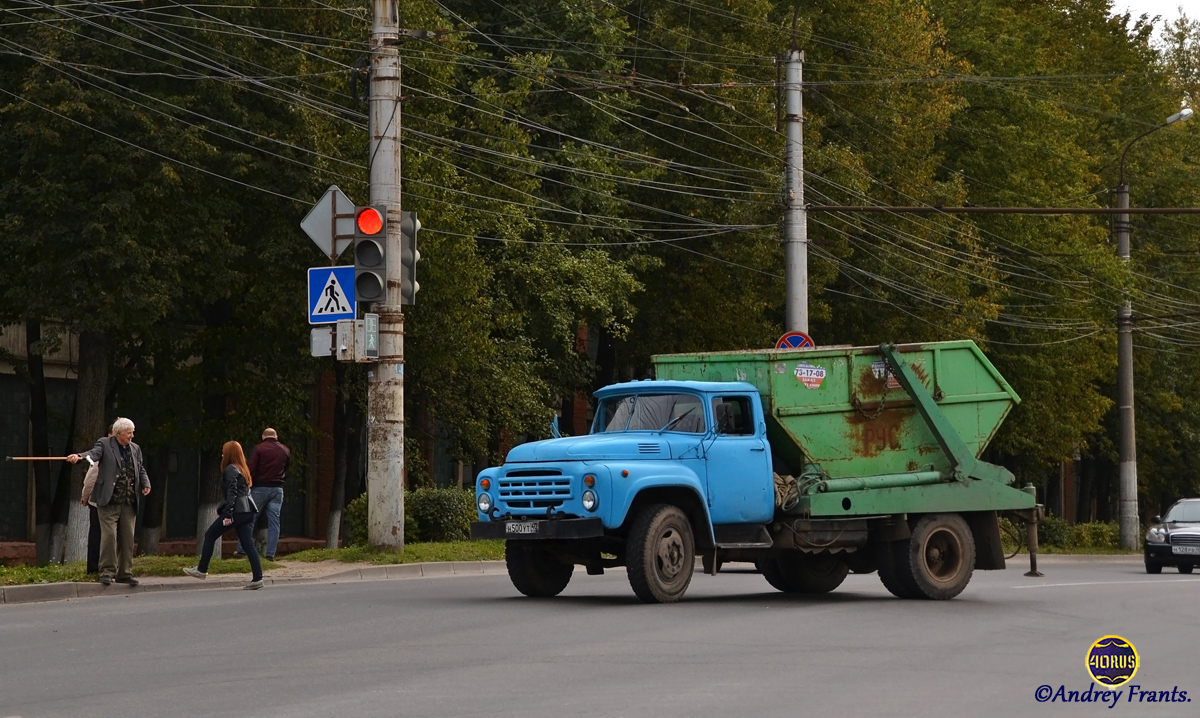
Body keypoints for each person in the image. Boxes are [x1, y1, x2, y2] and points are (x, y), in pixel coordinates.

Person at [66, 418, 151, 586]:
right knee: (109, 537)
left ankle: (124, 573)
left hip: (128, 502)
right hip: (108, 501)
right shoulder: (105, 444)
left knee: (127, 539)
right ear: (119, 433)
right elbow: (93, 453)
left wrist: (146, 482)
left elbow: (140, 468)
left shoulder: (135, 448)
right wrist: (80, 457)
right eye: (129, 433)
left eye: (132, 432)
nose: (132, 436)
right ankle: (106, 571)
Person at [184, 441, 263, 590]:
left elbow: (232, 494)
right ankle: (257, 578)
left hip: (237, 511)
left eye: (224, 452)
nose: (221, 454)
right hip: (249, 510)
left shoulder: (230, 469)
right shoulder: (242, 468)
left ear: (229, 454)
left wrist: (228, 514)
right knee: (248, 544)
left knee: (210, 535)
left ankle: (202, 570)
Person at [237, 428, 290, 561]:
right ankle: (270, 554)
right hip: (278, 489)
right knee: (274, 522)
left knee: (250, 518)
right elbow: (286, 468)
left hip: (260, 488)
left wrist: (249, 483)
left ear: (263, 436)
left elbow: (251, 468)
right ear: (276, 436)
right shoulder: (285, 450)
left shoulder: (259, 449)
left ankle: (242, 550)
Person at [80, 424, 114, 575]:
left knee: (101, 534)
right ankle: (94, 567)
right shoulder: (103, 450)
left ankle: (98, 567)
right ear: (109, 435)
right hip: (99, 500)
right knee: (98, 534)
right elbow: (92, 476)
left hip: (112, 501)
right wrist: (86, 495)